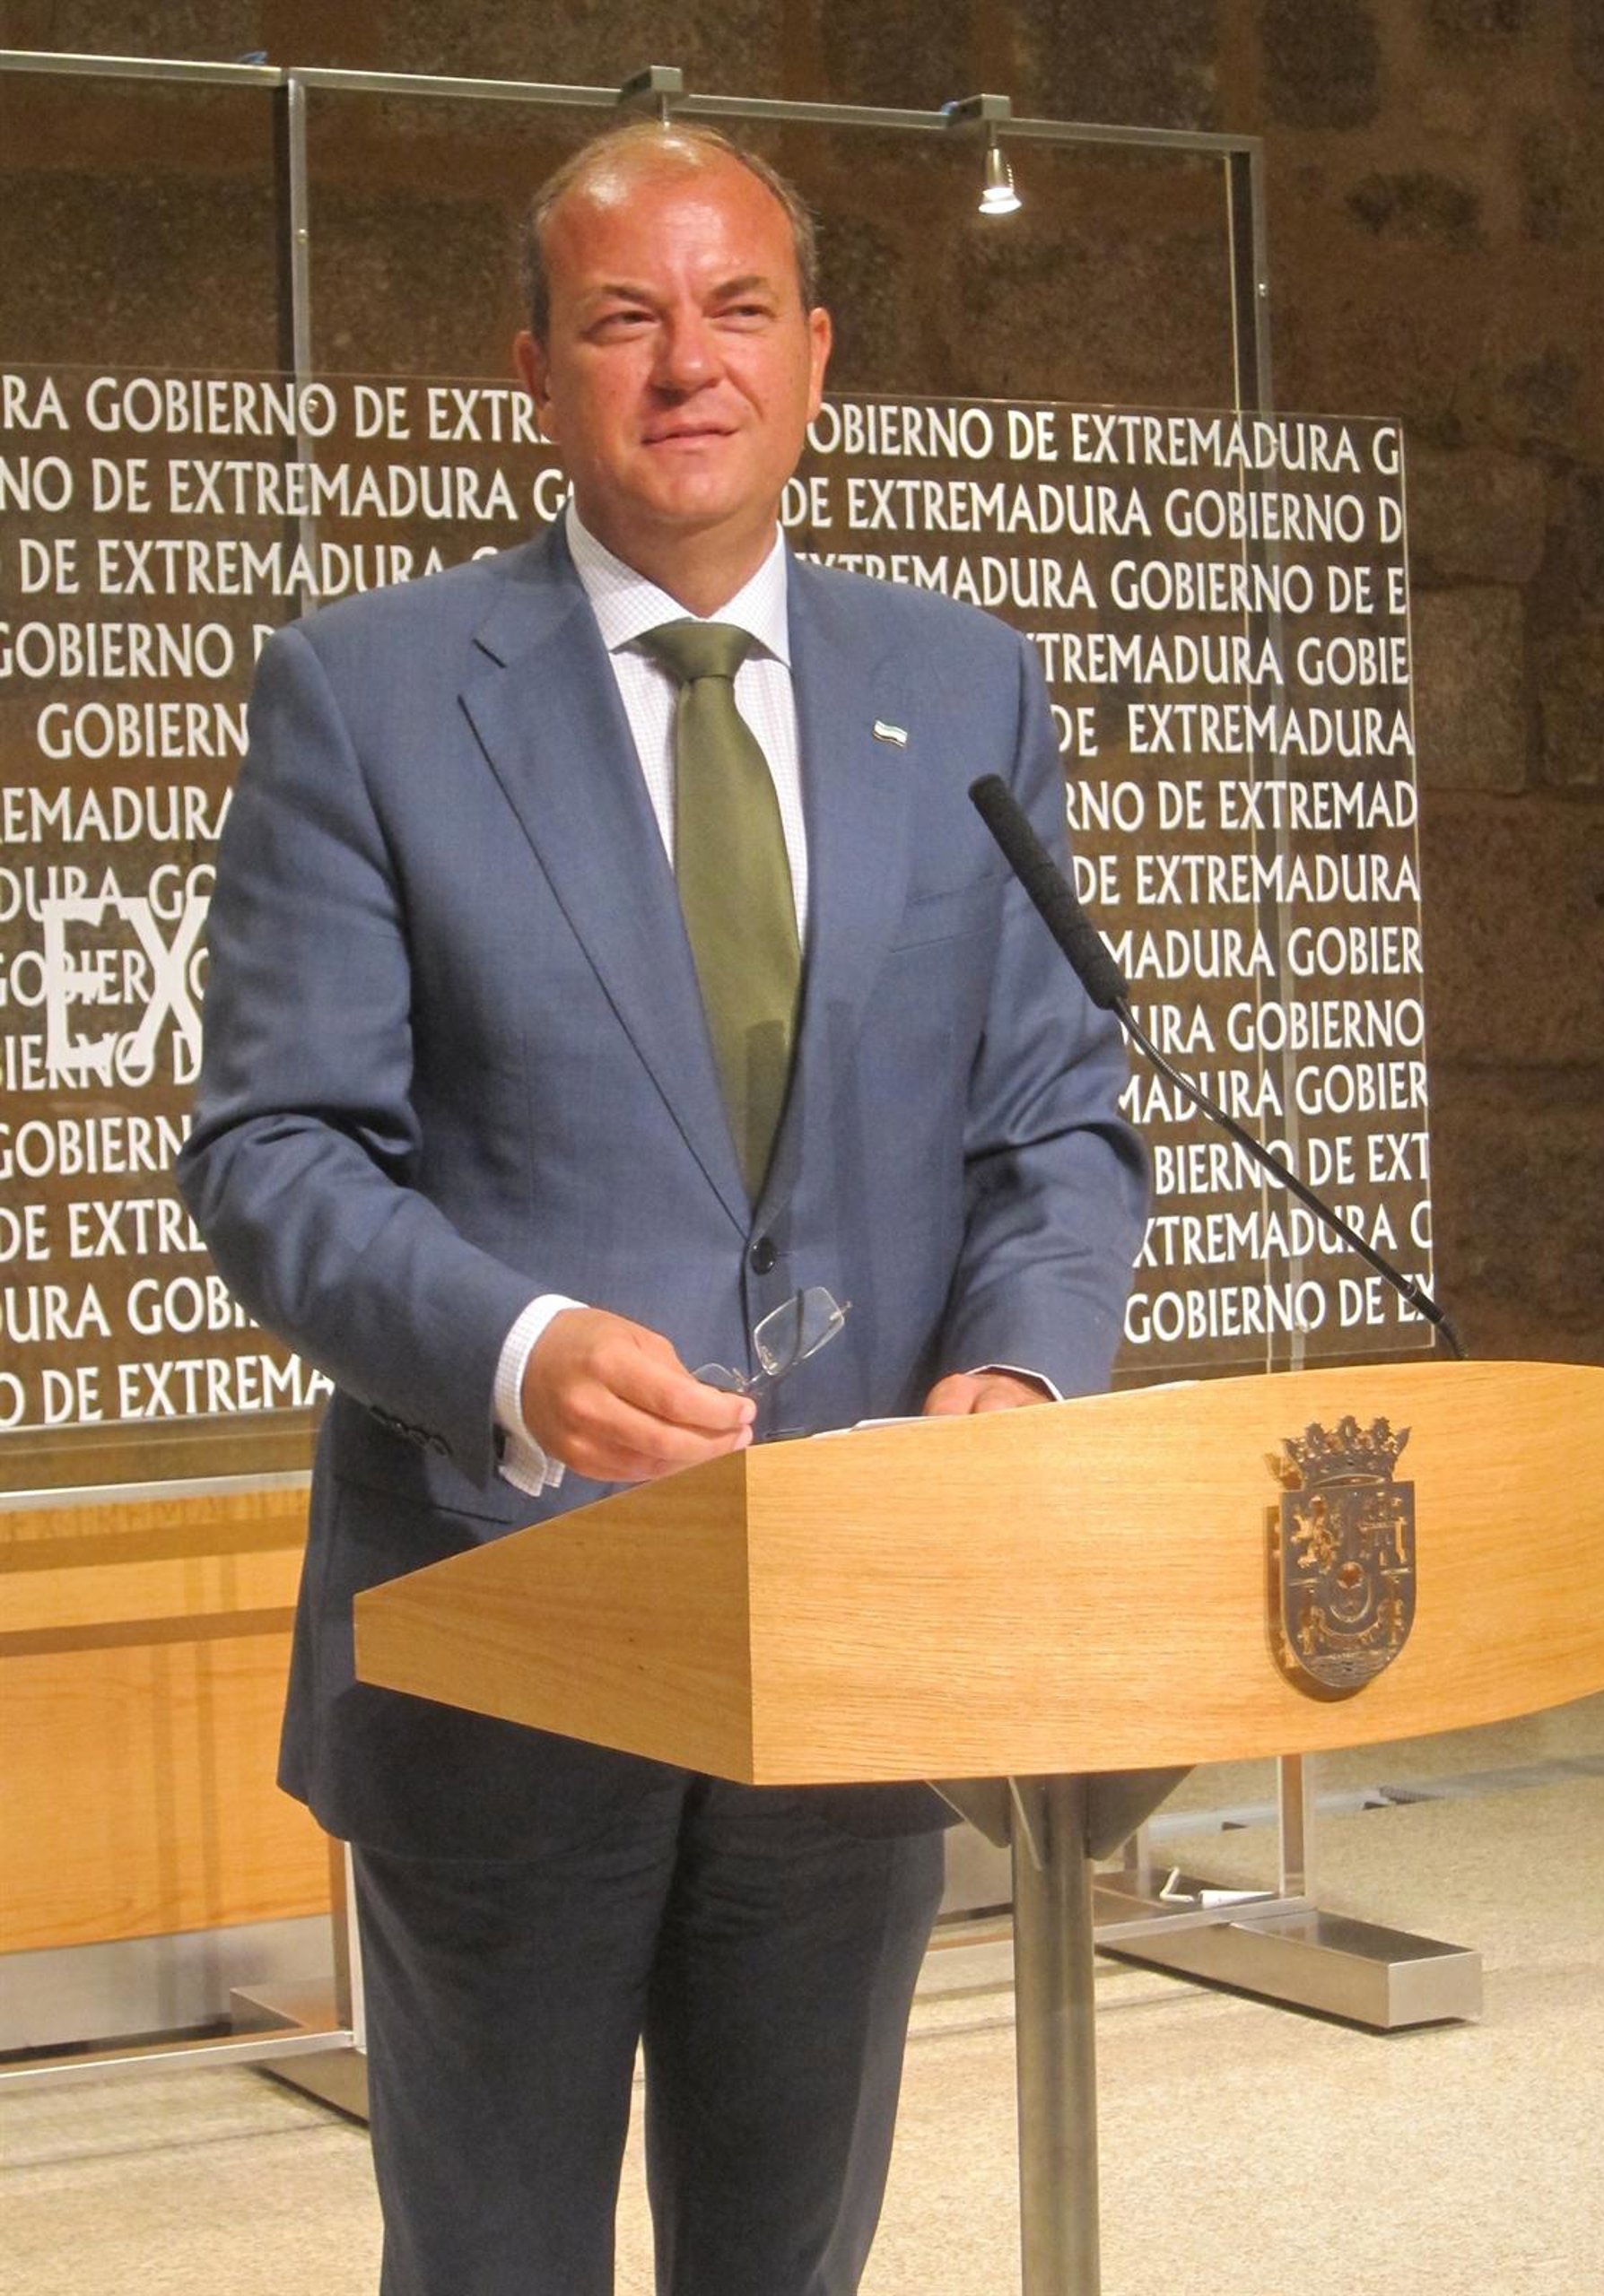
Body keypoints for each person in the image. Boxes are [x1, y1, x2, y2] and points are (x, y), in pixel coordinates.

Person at [179, 120, 1145, 2296]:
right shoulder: (368, 690)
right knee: (496, 2260)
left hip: (853, 1637)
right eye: (625, 318)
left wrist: (1019, 1364)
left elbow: (1053, 1124)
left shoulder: (961, 684)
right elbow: (273, 1149)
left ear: (817, 356)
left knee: (789, 2256)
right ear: (535, 369)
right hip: (508, 1625)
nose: (688, 364)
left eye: (736, 311)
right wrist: (517, 1351)